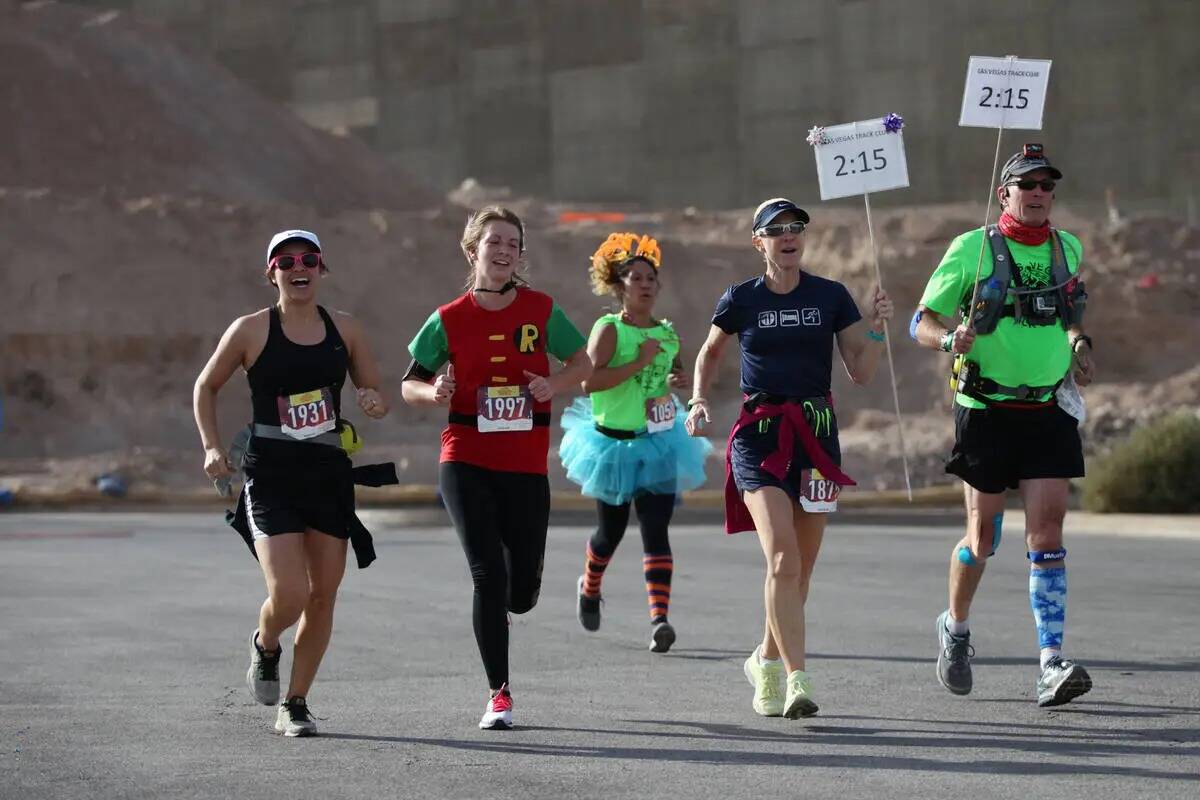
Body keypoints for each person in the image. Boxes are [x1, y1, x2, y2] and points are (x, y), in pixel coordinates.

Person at [685, 198, 892, 719]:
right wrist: (699, 398)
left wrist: (876, 327)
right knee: (781, 557)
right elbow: (711, 350)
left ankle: (764, 659)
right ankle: (794, 679)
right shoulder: (741, 298)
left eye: (796, 227)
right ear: (759, 242)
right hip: (759, 437)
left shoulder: (830, 296)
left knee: (801, 572)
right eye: (775, 229)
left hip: (817, 437)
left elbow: (861, 372)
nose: (788, 235)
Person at [911, 143, 1094, 707]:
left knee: (1048, 537)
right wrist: (948, 339)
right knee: (983, 539)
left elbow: (1067, 316)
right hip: (986, 411)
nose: (1039, 193)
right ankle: (956, 628)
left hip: (1047, 408)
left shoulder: (1068, 248)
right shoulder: (972, 248)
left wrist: (1079, 342)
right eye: (1027, 184)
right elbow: (922, 319)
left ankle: (1050, 662)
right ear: (1005, 192)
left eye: (1047, 185)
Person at [193, 229, 393, 737]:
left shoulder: (345, 329)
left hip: (327, 476)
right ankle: (266, 643)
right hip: (271, 475)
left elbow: (373, 388)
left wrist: (371, 399)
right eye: (286, 261)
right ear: (272, 273)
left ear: (321, 269)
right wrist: (213, 447)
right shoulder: (250, 331)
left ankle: (296, 702)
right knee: (291, 594)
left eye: (308, 259)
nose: (297, 267)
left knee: (323, 596)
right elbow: (206, 386)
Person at [401, 206, 591, 730]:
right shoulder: (448, 318)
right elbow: (409, 382)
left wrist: (557, 383)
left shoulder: (541, 310)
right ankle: (499, 694)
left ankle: (514, 600)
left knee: (521, 590)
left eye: (513, 243)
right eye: (494, 242)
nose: (504, 251)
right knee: (486, 574)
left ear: (520, 254)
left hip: (525, 462)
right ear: (473, 251)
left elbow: (583, 364)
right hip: (464, 456)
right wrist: (431, 390)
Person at [558, 232, 711, 653]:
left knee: (656, 529)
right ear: (619, 286)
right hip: (612, 446)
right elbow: (589, 383)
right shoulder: (609, 330)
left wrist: (675, 380)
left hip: (659, 441)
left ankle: (659, 619)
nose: (644, 284)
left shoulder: (667, 333)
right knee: (611, 532)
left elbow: (672, 374)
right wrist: (638, 362)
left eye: (650, 278)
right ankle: (589, 586)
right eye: (635, 277)